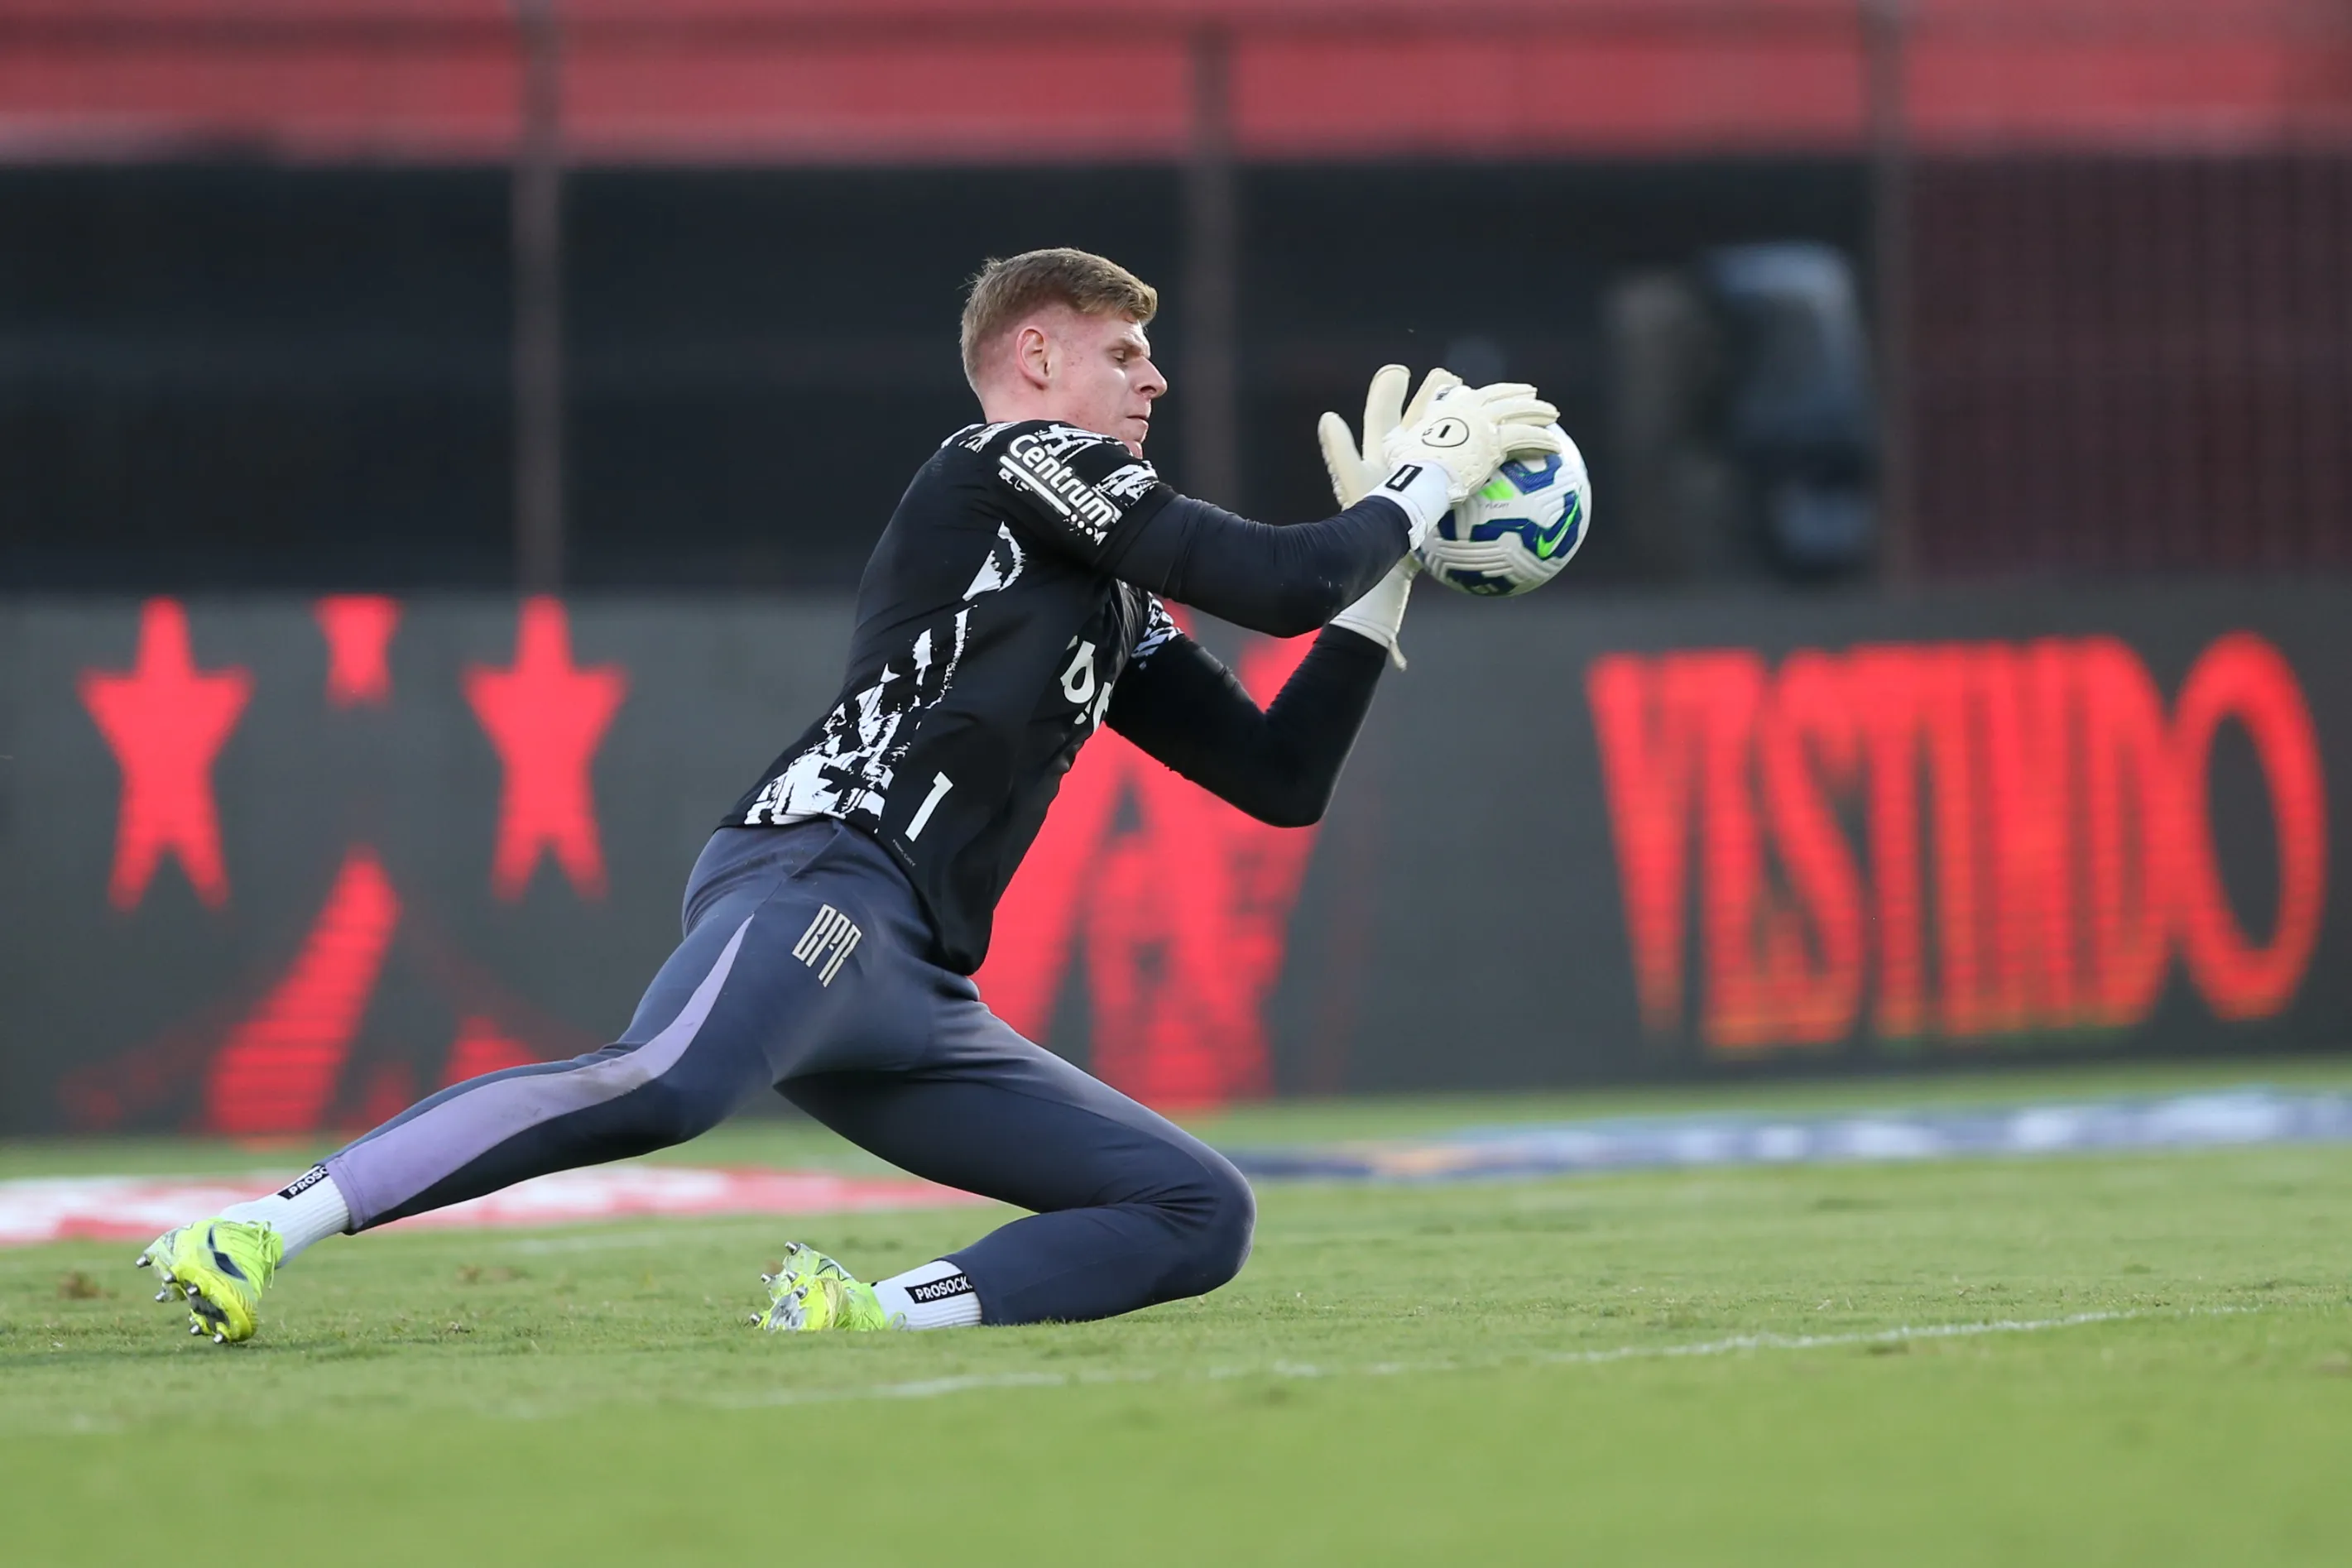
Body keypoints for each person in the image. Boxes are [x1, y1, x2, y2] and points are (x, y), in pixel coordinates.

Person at [137, 247, 1562, 1341]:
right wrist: (1408, 496)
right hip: (822, 872)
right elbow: (1271, 577)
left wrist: (1380, 580)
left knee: (1195, 1207)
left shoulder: (1110, 593)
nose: (1155, 382)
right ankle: (259, 1226)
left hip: (913, 977)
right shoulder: (1009, 459)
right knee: (663, 1082)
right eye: (1124, 353)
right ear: (1035, 352)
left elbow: (1279, 777)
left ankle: (863, 1313)